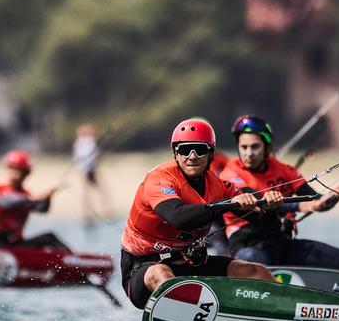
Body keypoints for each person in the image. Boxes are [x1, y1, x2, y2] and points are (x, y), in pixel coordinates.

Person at [120, 117, 281, 310]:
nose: (193, 156)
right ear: (175, 153)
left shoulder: (219, 185)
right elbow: (178, 217)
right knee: (162, 274)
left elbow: (263, 222)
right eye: (185, 149)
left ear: (211, 153)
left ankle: (284, 312)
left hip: (189, 262)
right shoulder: (159, 179)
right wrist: (228, 204)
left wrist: (269, 208)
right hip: (143, 270)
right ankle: (192, 314)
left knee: (254, 271)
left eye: (200, 149)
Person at [219, 115, 339, 274]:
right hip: (247, 246)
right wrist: (305, 205)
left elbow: (315, 200)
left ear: (266, 147)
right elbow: (261, 204)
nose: (249, 153)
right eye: (244, 147)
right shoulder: (229, 174)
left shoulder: (284, 170)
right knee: (260, 265)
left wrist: (330, 198)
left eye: (255, 146)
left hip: (279, 242)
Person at [0, 150, 69, 251]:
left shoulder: (27, 195)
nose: (15, 174)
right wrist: (29, 199)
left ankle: (77, 261)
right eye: (13, 169)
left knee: (49, 238)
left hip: (14, 244)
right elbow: (3, 203)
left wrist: (49, 197)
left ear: (25, 173)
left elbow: (42, 209)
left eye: (19, 170)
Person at [73, 123, 112, 225]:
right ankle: (105, 212)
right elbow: (94, 156)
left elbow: (79, 157)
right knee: (100, 190)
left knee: (88, 192)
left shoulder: (80, 142)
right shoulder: (87, 142)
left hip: (85, 169)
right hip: (89, 169)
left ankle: (88, 214)